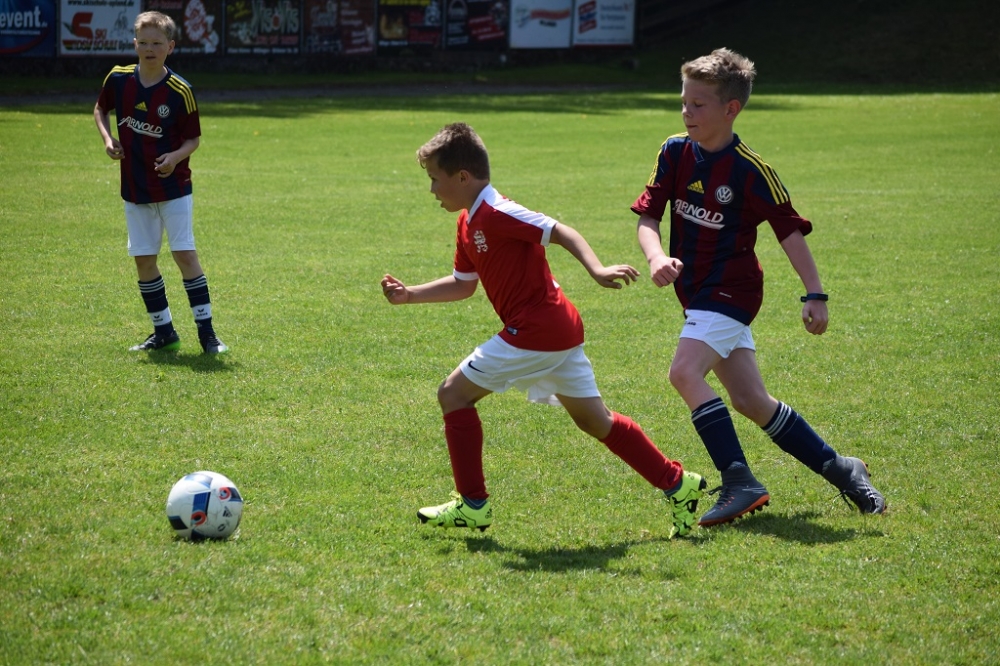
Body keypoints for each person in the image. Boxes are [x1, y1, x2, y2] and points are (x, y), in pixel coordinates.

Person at [381, 122, 706, 538]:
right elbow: (463, 285)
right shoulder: (467, 222)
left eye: (434, 179)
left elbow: (559, 231)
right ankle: (678, 484)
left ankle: (472, 505)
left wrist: (596, 269)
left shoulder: (498, 211)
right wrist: (410, 295)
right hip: (557, 331)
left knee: (453, 394)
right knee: (596, 422)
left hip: (537, 330)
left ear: (462, 177)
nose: (431, 189)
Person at [631, 48, 885, 526]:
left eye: (698, 104)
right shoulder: (673, 152)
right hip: (697, 294)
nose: (686, 112)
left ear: (731, 108)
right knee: (751, 401)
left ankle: (738, 480)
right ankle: (841, 468)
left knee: (684, 373)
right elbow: (648, 215)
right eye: (683, 102)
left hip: (733, 291)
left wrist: (815, 293)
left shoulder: (750, 170)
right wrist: (656, 256)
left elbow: (788, 230)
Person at [94, 11, 227, 354]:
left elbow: (193, 140)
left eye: (156, 43)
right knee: (144, 260)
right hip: (134, 187)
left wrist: (175, 157)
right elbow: (100, 109)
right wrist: (108, 139)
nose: (149, 49)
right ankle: (164, 332)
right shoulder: (119, 79)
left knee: (184, 254)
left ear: (170, 46)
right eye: (143, 42)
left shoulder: (180, 91)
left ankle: (208, 334)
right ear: (134, 44)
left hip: (173, 188)